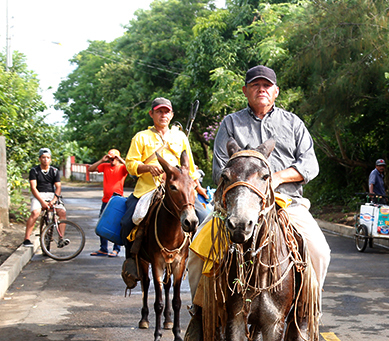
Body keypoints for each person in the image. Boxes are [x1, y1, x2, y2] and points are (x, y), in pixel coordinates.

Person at [200, 64, 330, 292]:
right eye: (255, 85)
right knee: (198, 252)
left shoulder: (293, 123)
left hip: (287, 203)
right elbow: (219, 168)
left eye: (267, 85)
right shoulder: (230, 123)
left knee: (320, 252)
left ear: (276, 91)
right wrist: (249, 186)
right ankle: (200, 316)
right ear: (245, 90)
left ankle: (308, 312)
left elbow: (310, 165)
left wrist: (277, 178)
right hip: (236, 204)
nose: (262, 89)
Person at [121, 97, 198, 288]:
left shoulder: (180, 137)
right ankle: (133, 262)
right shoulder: (141, 137)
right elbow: (130, 165)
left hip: (177, 190)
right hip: (148, 189)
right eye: (159, 111)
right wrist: (147, 168)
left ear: (171, 115)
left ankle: (193, 261)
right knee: (127, 221)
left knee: (202, 219)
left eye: (166, 112)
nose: (163, 115)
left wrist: (194, 184)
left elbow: (191, 167)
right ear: (152, 114)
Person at [88, 149, 128, 257]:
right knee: (102, 222)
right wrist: (101, 160)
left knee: (117, 223)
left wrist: (120, 159)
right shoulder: (105, 166)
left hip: (117, 200)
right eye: (110, 158)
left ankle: (116, 249)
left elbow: (131, 169)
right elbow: (90, 169)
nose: (112, 160)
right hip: (106, 200)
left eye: (114, 158)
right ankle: (103, 248)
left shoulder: (122, 167)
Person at [23, 148, 65, 247]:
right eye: (43, 157)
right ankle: (26, 239)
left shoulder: (54, 171)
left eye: (47, 158)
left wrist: (54, 199)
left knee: (62, 213)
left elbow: (58, 187)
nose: (45, 160)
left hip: (51, 194)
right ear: (39, 159)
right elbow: (33, 188)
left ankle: (61, 238)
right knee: (35, 213)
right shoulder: (34, 171)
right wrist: (42, 202)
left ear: (50, 159)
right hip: (38, 194)